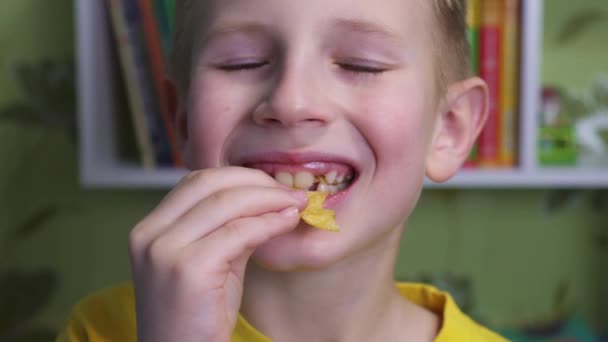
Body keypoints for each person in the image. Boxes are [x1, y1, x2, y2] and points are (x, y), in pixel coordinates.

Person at [58, 0, 507, 340]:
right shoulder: (100, 329)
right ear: (183, 121)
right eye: (243, 62)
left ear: (449, 128)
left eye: (359, 64)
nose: (292, 103)